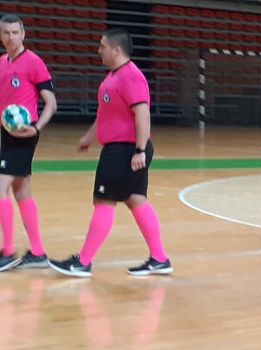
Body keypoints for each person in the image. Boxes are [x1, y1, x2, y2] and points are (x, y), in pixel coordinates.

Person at [49, 29, 171, 277]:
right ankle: (160, 259)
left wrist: (139, 150)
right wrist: (89, 137)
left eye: (102, 46)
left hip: (125, 150)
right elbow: (105, 115)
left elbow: (142, 114)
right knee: (135, 199)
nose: (99, 50)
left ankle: (83, 262)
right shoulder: (113, 77)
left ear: (116, 50)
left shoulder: (131, 76)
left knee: (104, 201)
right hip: (122, 149)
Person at [0, 14, 56, 272]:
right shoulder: (2, 63)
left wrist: (35, 128)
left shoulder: (33, 62)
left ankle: (7, 251)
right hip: (6, 133)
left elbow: (51, 103)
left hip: (24, 134)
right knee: (22, 191)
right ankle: (38, 252)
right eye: (6, 33)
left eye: (15, 32)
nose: (11, 37)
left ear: (23, 34)